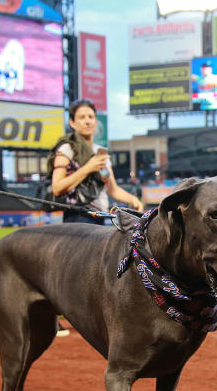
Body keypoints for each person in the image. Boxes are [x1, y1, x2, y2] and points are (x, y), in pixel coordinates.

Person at [47, 99, 144, 336]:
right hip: (78, 217)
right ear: (72, 122)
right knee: (68, 271)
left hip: (100, 218)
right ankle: (52, 319)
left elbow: (112, 190)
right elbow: (57, 187)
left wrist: (132, 200)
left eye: (91, 116)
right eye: (82, 117)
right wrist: (87, 168)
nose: (88, 121)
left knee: (97, 272)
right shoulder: (67, 149)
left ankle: (95, 317)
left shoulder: (101, 154)